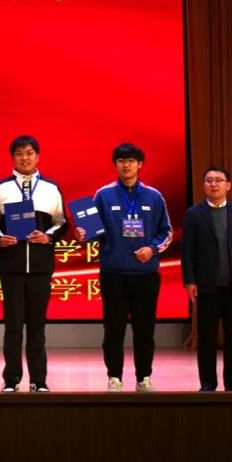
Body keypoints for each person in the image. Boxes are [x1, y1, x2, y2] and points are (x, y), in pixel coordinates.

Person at [73, 143, 172, 392]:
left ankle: (144, 378)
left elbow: (167, 232)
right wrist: (83, 234)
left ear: (140, 164)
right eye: (121, 161)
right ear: (115, 165)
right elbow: (94, 232)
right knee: (113, 330)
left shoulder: (154, 196)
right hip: (113, 273)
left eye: (131, 160)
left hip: (146, 274)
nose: (126, 165)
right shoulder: (103, 195)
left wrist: (152, 249)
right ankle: (114, 377)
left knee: (145, 330)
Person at [0, 135, 66, 392]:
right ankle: (12, 379)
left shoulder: (51, 188)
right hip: (12, 267)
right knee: (13, 326)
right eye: (19, 154)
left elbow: (62, 222)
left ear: (37, 156)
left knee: (37, 327)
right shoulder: (2, 188)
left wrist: (48, 236)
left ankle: (39, 380)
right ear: (13, 158)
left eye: (29, 153)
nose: (25, 158)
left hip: (40, 267)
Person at [182, 166, 232, 392]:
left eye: (219, 180)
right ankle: (208, 383)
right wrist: (189, 280)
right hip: (206, 286)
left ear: (228, 185)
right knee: (206, 338)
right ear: (203, 185)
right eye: (209, 180)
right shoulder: (194, 214)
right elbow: (187, 251)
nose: (214, 184)